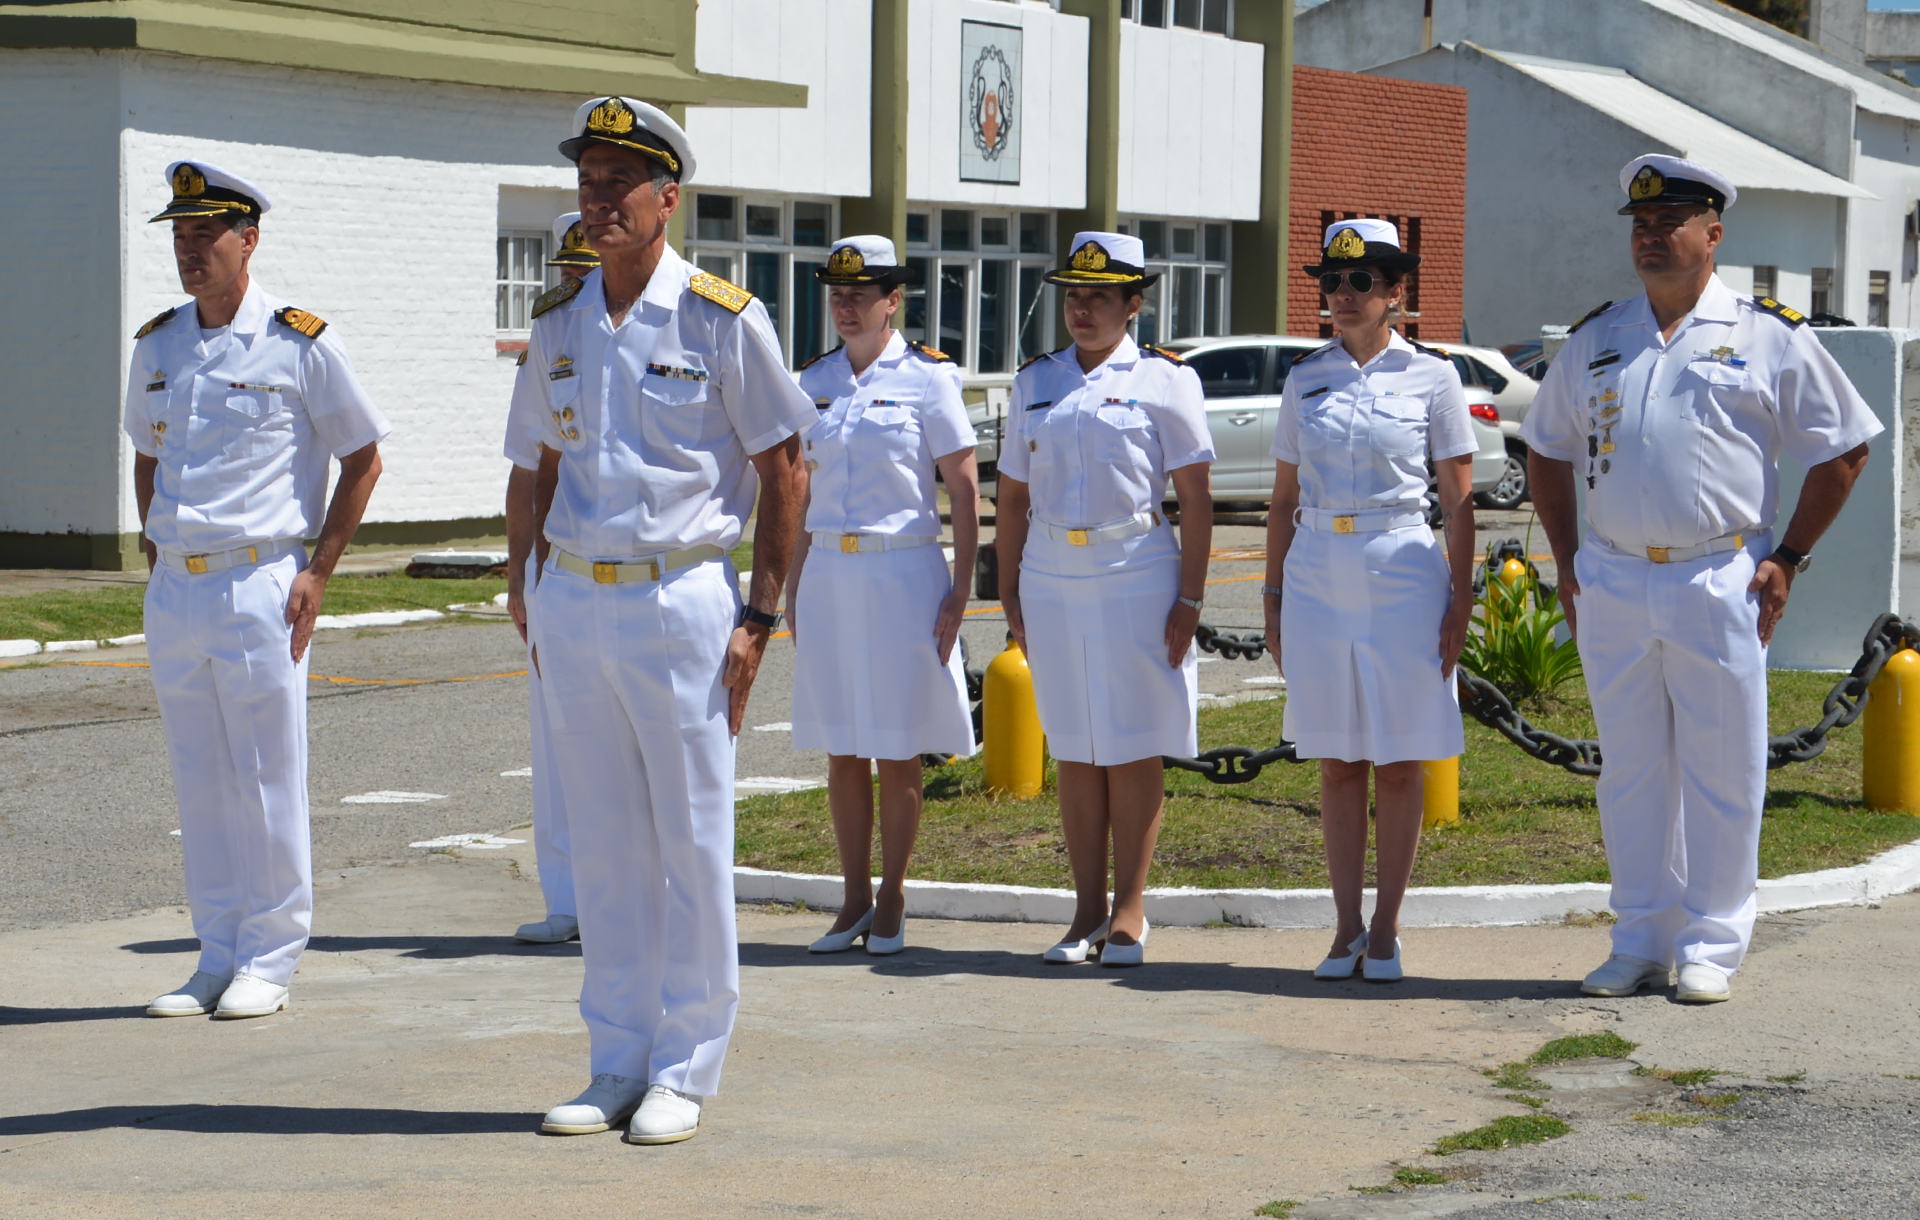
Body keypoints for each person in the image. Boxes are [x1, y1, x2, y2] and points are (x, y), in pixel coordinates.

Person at [508, 96, 814, 1143]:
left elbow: (784, 469)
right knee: (602, 844)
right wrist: (529, 587)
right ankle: (615, 1058)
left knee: (689, 837)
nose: (597, 203)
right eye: (586, 185)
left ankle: (686, 1062)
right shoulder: (560, 323)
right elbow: (538, 465)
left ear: (666, 197)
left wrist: (759, 614)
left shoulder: (723, 318)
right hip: (576, 598)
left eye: (617, 184)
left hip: (684, 596)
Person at [1524, 154, 1881, 1004]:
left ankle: (1712, 945)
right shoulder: (1600, 337)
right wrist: (1569, 560)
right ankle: (1641, 936)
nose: (1650, 238)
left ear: (1713, 235)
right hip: (1613, 579)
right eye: (1641, 226)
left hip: (1719, 578)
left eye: (1668, 223)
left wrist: (1787, 556)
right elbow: (1546, 448)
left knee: (1723, 771)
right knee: (1632, 770)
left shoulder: (1768, 334)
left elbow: (1844, 450)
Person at [128, 161, 389, 1020]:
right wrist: (159, 551)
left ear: (250, 239)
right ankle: (215, 951)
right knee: (199, 776)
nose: (190, 250)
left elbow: (362, 457)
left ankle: (271, 956)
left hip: (259, 579)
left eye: (207, 234)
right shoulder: (159, 343)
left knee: (267, 774)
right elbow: (148, 456)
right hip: (179, 587)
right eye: (180, 234)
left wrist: (318, 569)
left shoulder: (298, 340)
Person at [1260, 219, 1476, 984]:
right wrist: (1274, 595)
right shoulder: (1306, 376)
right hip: (1319, 567)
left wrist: (1460, 601)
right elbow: (1283, 498)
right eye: (1333, 283)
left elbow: (1457, 500)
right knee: (1338, 757)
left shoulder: (1433, 377)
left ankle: (1386, 927)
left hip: (1402, 569)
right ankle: (1344, 925)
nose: (1343, 296)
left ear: (1395, 294)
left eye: (1361, 283)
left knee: (1398, 757)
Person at [996, 231, 1214, 969]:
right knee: (1074, 742)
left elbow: (1196, 497)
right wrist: (1009, 584)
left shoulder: (1165, 380)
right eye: (1073, 295)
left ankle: (1129, 909)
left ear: (1134, 304)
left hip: (1136, 566)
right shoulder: (1037, 380)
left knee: (1132, 740)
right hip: (1053, 572)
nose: (1082, 310)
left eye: (1099, 297)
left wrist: (1190, 596)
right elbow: (1015, 496)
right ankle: (1084, 909)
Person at [786, 236, 980, 957]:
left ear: (892, 301)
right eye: (836, 293)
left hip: (904, 575)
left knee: (897, 747)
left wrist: (961, 589)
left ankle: (894, 893)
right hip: (832, 574)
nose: (846, 305)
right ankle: (853, 896)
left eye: (861, 294)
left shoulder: (929, 379)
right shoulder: (813, 380)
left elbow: (962, 486)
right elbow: (801, 494)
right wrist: (792, 589)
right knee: (841, 745)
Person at [503, 212, 598, 945]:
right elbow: (528, 470)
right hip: (557, 568)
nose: (573, 283)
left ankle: (622, 900)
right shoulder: (551, 342)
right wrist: (521, 573)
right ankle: (565, 898)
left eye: (585, 271)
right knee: (555, 736)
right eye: (567, 271)